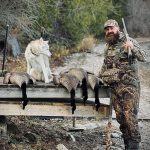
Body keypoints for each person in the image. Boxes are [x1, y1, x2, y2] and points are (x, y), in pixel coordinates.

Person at [100, 19, 146, 150]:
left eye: (111, 28)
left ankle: (134, 144)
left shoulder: (128, 41)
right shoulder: (108, 46)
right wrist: (99, 77)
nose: (109, 31)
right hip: (114, 87)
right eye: (107, 29)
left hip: (130, 86)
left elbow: (144, 57)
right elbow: (105, 65)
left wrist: (132, 48)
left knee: (129, 116)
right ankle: (127, 144)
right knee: (120, 117)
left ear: (117, 28)